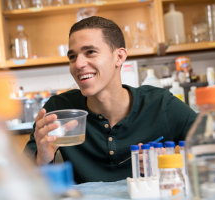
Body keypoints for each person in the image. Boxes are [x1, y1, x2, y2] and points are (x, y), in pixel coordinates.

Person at [23, 16, 197, 184]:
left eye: (90, 52)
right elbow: (20, 181)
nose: (78, 64)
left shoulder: (161, 104)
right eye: (72, 56)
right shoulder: (59, 110)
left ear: (119, 57)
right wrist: (40, 160)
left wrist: (174, 161)